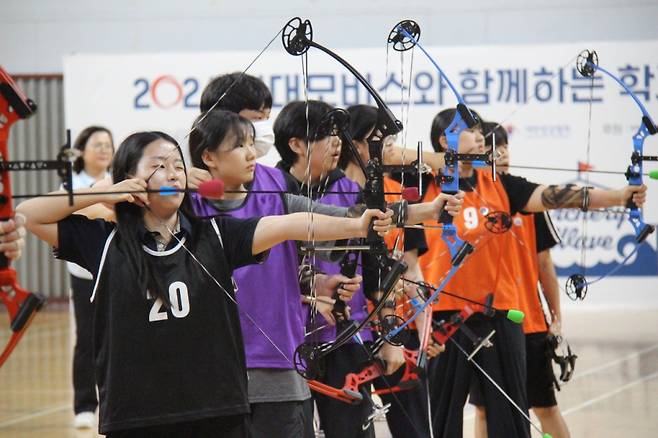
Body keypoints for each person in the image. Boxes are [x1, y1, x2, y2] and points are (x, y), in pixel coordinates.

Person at [16, 130, 396, 437]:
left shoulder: (214, 234)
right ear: (131, 176)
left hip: (217, 409)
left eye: (178, 166)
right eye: (159, 166)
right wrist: (104, 191)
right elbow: (28, 214)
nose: (174, 173)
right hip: (135, 414)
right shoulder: (103, 241)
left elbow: (291, 224)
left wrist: (356, 224)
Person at [418, 107, 647, 438]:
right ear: (444, 140)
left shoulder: (500, 184)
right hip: (443, 318)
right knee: (440, 422)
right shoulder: (420, 181)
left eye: (481, 129)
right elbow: (389, 155)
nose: (481, 135)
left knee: (510, 419)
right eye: (470, 130)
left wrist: (618, 196)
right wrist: (446, 160)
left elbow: (554, 196)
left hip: (499, 315)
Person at [469, 122, 572, 438]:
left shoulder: (529, 201)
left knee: (546, 407)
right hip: (487, 324)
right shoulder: (470, 202)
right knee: (485, 409)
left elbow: (544, 265)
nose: (500, 153)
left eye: (503, 146)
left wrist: (555, 317)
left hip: (529, 324)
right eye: (490, 148)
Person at [339, 104, 434, 438]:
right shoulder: (329, 192)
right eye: (382, 141)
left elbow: (411, 269)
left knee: (414, 429)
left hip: (395, 325)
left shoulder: (397, 193)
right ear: (354, 144)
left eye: (392, 141)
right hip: (345, 331)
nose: (392, 149)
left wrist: (423, 333)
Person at [66, 126, 114, 429]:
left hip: (115, 269)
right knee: (86, 338)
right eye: (97, 144)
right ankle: (84, 404)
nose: (104, 150)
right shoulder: (72, 184)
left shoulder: (117, 181)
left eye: (108, 145)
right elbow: (85, 217)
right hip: (84, 274)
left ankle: (113, 399)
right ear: (81, 150)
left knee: (115, 337)